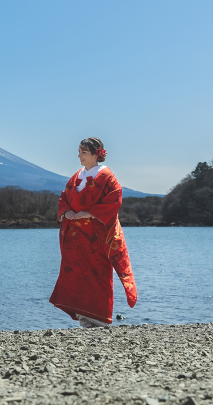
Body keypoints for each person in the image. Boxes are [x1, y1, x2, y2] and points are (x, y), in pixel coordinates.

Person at [49, 137, 137, 328]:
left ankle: (99, 319)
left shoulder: (107, 177)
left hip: (97, 239)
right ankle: (83, 318)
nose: (79, 156)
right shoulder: (75, 177)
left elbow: (115, 199)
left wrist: (89, 212)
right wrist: (66, 212)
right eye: (79, 151)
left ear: (96, 154)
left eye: (83, 152)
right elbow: (63, 198)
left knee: (98, 276)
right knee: (76, 276)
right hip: (76, 240)